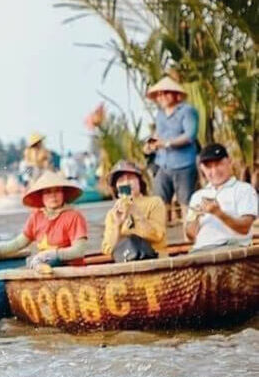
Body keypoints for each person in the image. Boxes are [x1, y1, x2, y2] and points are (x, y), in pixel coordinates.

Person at [0, 171, 88, 268]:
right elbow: (18, 243)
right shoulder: (37, 217)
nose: (53, 196)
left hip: (70, 269)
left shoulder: (74, 216)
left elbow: (79, 250)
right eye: (48, 192)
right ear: (41, 196)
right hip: (46, 268)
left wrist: (52, 254)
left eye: (57, 191)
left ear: (63, 194)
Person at [143, 76, 199, 226]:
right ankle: (161, 242)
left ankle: (190, 241)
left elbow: (190, 136)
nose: (162, 97)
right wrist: (151, 144)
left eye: (166, 93)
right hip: (163, 164)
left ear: (175, 94)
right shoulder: (160, 114)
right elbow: (159, 135)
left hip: (184, 164)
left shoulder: (187, 111)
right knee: (159, 204)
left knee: (186, 203)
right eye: (159, 94)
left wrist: (166, 143)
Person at [185, 144, 257, 252]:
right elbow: (191, 236)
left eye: (218, 164)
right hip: (200, 251)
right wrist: (196, 217)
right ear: (202, 168)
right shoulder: (197, 196)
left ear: (229, 162)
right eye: (208, 167)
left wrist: (219, 213)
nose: (214, 171)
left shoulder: (244, 189)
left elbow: (245, 228)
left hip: (232, 248)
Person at [101, 161, 167, 261]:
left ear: (139, 181)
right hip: (126, 262)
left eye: (130, 178)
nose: (126, 182)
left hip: (154, 258)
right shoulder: (113, 213)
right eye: (121, 179)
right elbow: (108, 249)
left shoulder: (154, 202)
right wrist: (117, 225)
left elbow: (157, 235)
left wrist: (136, 213)